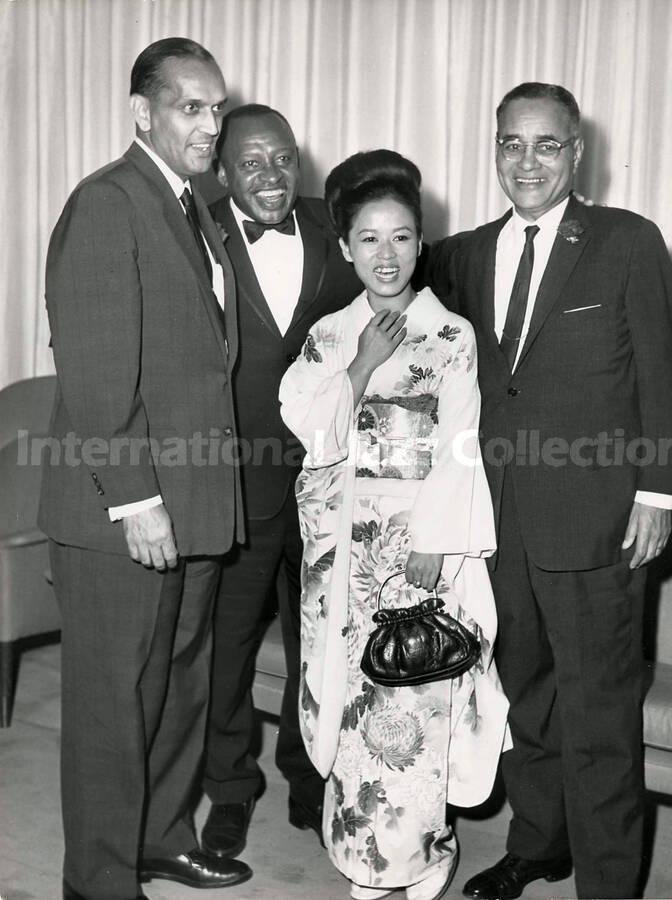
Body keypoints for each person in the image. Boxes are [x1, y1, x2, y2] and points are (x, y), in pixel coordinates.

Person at [421, 83, 672, 900]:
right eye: (511, 143)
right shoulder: (465, 254)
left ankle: (607, 882)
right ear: (494, 149)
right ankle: (539, 845)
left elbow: (663, 378)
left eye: (545, 145)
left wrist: (656, 494)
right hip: (496, 523)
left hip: (596, 522)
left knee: (599, 714)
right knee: (524, 700)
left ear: (577, 153)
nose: (526, 161)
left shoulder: (626, 242)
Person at [39, 38, 252, 900]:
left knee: (178, 692)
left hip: (194, 503)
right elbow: (94, 374)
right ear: (143, 112)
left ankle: (161, 840)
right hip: (124, 512)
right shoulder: (107, 202)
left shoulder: (192, 205)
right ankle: (97, 881)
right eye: (189, 108)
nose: (209, 125)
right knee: (111, 707)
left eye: (216, 108)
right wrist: (137, 500)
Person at [279, 149, 510, 900]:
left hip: (413, 549)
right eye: (369, 239)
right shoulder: (328, 335)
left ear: (421, 243)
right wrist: (358, 366)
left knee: (413, 693)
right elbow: (309, 434)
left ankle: (420, 858)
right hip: (344, 553)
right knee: (351, 701)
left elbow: (460, 444)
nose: (386, 255)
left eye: (402, 237)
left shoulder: (451, 337)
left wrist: (436, 542)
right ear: (345, 247)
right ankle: (362, 859)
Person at [201, 104, 362, 858]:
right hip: (235, 484)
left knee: (318, 647)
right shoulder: (191, 230)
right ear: (221, 169)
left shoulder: (333, 228)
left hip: (327, 483)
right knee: (227, 647)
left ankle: (309, 779)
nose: (270, 176)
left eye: (283, 159)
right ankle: (228, 790)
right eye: (250, 163)